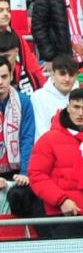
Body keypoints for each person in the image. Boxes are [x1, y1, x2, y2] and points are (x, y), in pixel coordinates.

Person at [29, 88, 83, 238]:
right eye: (76, 107)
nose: (80, 113)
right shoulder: (49, 139)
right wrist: (61, 200)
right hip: (62, 215)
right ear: (68, 107)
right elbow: (36, 175)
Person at [0, 55, 34, 196]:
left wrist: (25, 172)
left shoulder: (24, 101)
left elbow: (27, 138)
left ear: (11, 76)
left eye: (4, 76)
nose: (0, 82)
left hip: (17, 171)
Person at [0, 0, 44, 95]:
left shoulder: (17, 38)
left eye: (8, 10)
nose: (6, 14)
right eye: (1, 10)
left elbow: (32, 66)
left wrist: (42, 90)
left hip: (18, 87)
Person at [31, 54, 79, 140]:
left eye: (71, 74)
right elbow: (41, 133)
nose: (67, 79)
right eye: (62, 74)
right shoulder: (38, 97)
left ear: (76, 75)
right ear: (53, 74)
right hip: (49, 149)